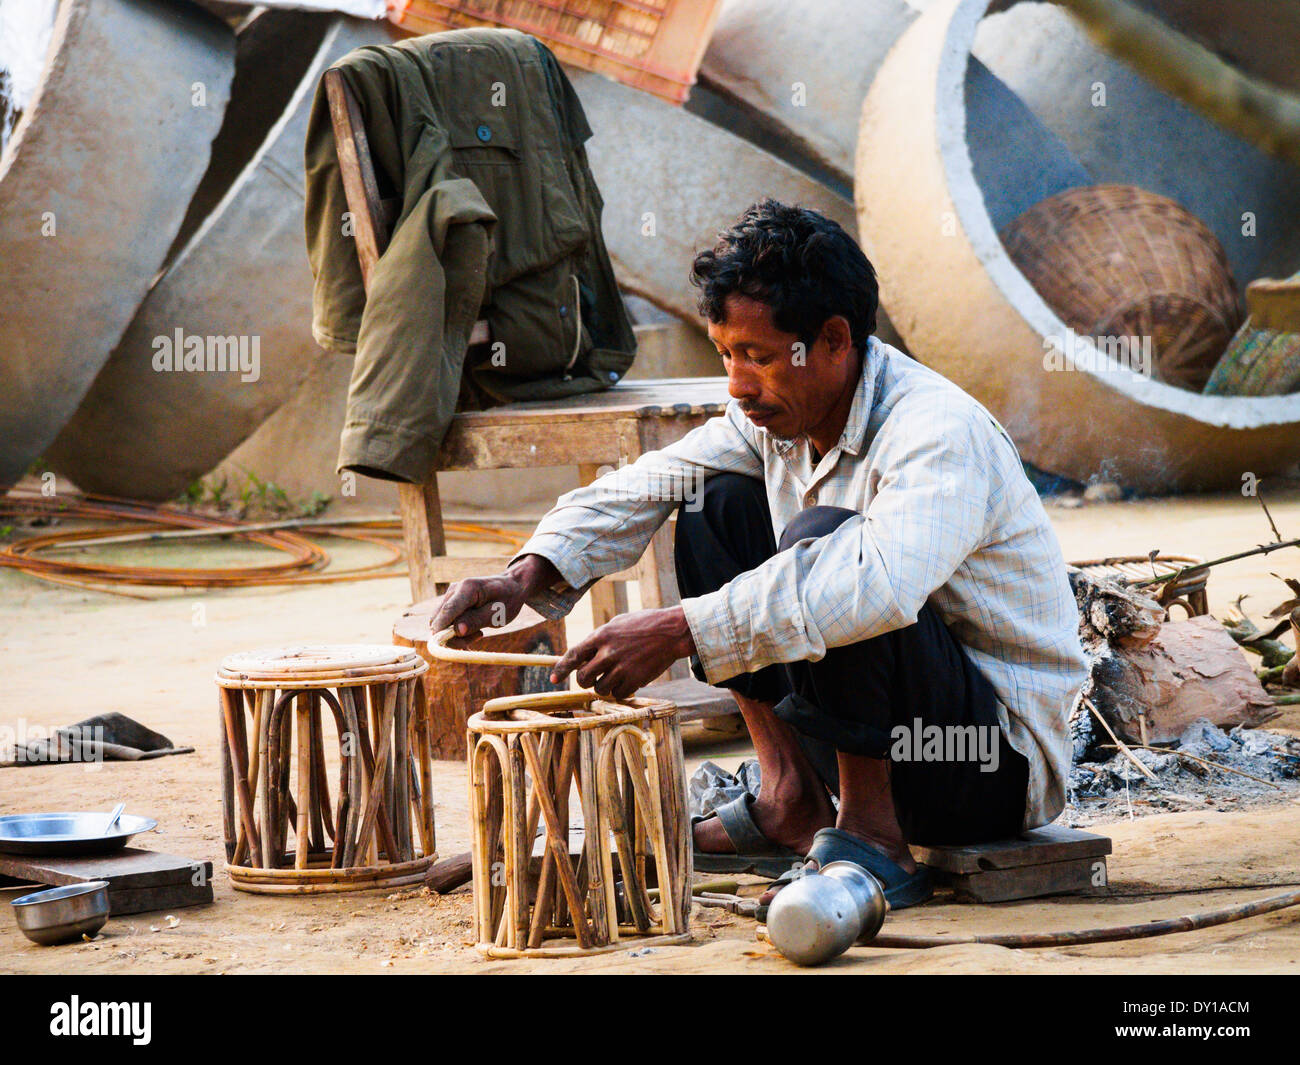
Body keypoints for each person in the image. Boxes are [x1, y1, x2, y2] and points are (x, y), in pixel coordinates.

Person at [432, 199, 1087, 910]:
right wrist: (527, 574)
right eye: (727, 356)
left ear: (833, 341)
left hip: (980, 765)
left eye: (760, 357)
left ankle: (873, 836)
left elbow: (879, 587)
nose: (739, 385)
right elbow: (655, 480)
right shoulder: (779, 418)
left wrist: (679, 628)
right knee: (711, 504)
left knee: (830, 547)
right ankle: (789, 797)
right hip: (888, 742)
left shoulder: (937, 431)